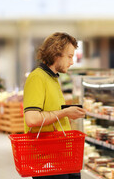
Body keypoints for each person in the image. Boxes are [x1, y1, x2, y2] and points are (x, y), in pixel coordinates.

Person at [23, 32, 86, 179]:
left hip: (62, 154)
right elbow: (32, 119)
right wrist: (64, 113)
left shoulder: (52, 78)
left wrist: (69, 113)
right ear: (56, 54)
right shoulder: (37, 77)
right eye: (69, 56)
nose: (72, 62)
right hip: (47, 159)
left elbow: (51, 112)